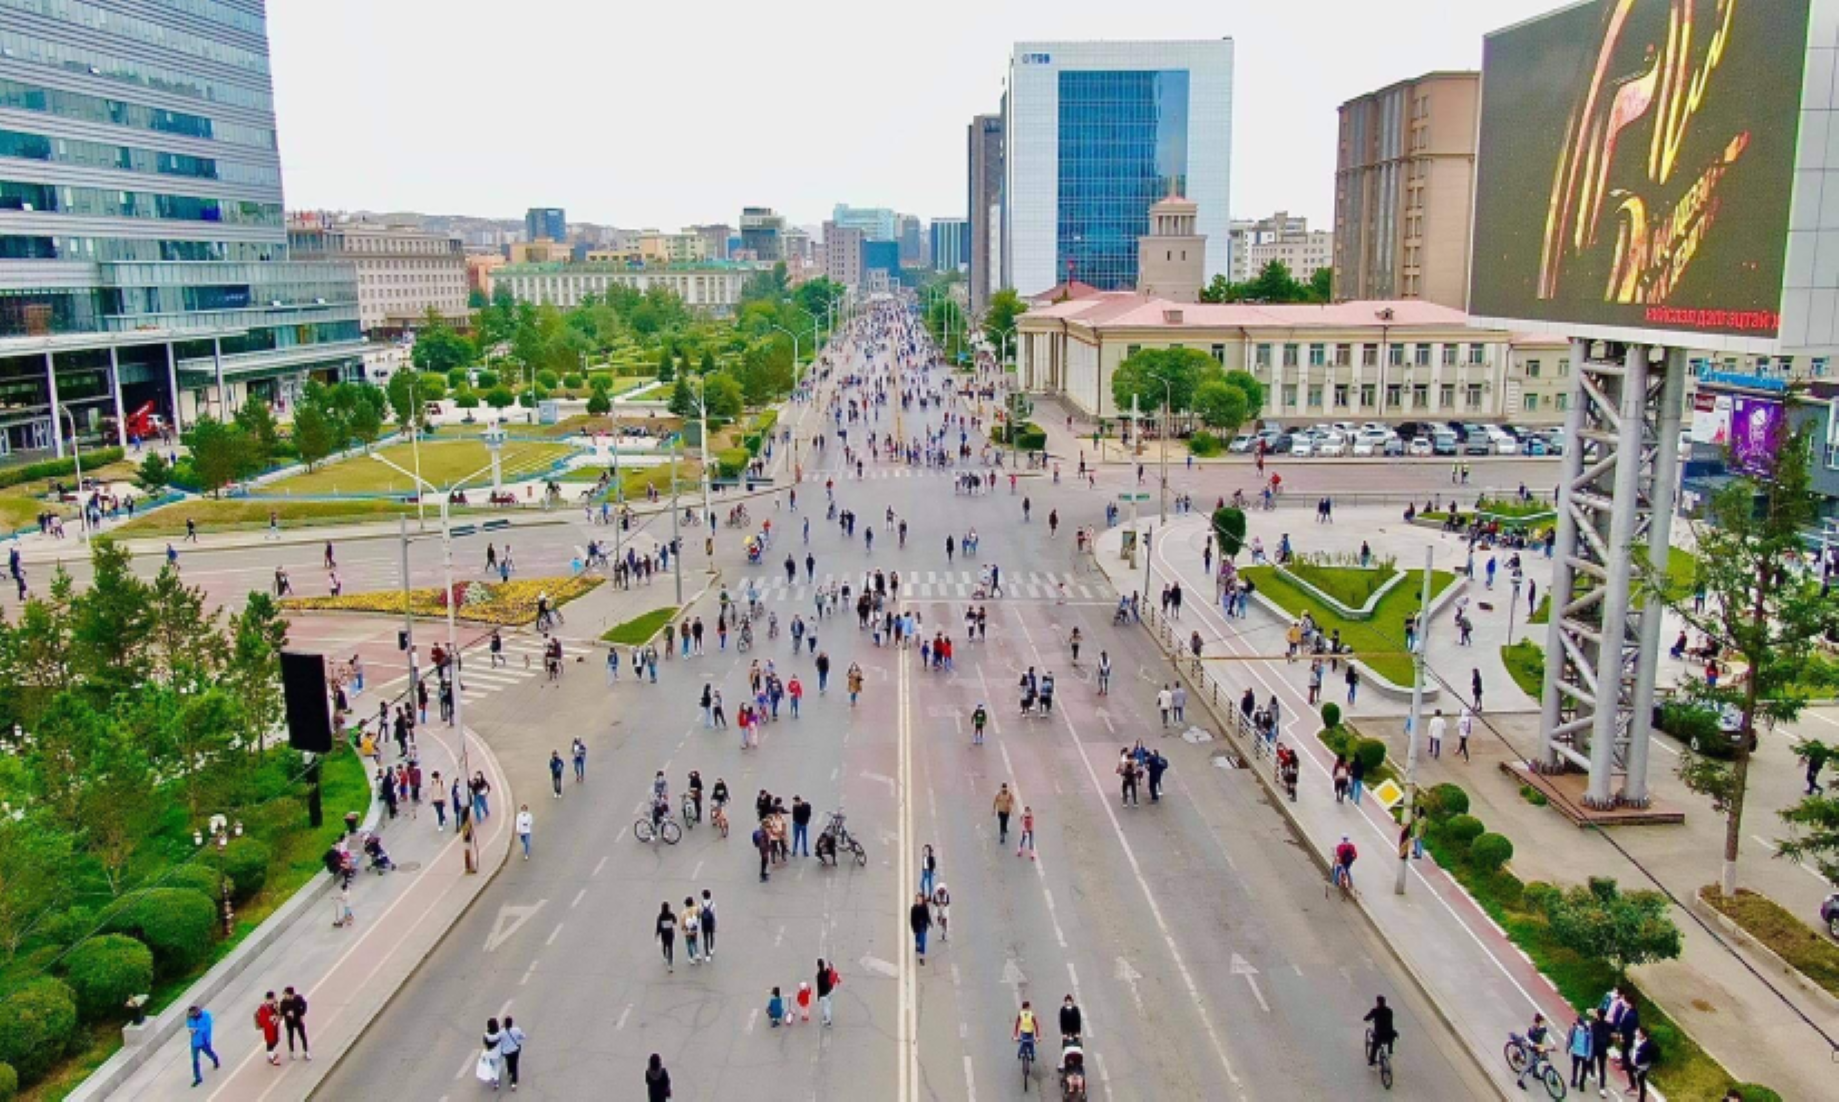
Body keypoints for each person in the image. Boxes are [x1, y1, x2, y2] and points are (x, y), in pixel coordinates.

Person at [1514, 1012, 1553, 1091]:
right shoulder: (1532, 1030)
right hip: (1531, 1049)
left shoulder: (1543, 1028)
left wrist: (1554, 1044)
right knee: (1528, 1065)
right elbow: (1528, 1040)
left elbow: (1548, 1035)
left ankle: (1535, 1073)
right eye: (1542, 1022)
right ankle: (1520, 1080)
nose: (1543, 1023)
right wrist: (1534, 1045)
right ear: (1538, 1022)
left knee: (1543, 1058)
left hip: (1539, 1047)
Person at [186, 1005, 220, 1086]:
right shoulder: (190, 1017)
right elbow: (189, 1025)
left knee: (209, 1053)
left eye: (193, 1013)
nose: (192, 1015)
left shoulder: (206, 1015)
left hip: (204, 1041)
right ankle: (198, 1078)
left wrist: (197, 1030)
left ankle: (215, 1059)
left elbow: (207, 1026)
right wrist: (191, 1029)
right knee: (195, 1060)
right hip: (195, 1042)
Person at [1567, 1008, 1596, 1092]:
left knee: (1576, 1068)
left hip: (1577, 1053)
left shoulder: (1575, 1029)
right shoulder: (1587, 1031)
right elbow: (1590, 1044)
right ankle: (1580, 1084)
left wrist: (1568, 1048)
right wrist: (1589, 1055)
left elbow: (1569, 1039)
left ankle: (1575, 1081)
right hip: (1582, 1054)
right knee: (1581, 1069)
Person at [1364, 995, 1396, 1067]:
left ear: (1378, 1002)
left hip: (1379, 1036)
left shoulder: (1375, 1011)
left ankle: (1372, 1061)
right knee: (1390, 1035)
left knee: (1374, 1046)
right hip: (1389, 1035)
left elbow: (1366, 1018)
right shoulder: (1389, 1011)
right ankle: (1390, 1051)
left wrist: (1366, 1019)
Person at [279, 987, 309, 1060]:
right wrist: (286, 1013)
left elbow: (304, 1004)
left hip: (298, 1020)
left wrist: (302, 1014)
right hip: (289, 1022)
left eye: (286, 994)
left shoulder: (298, 998)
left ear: (291, 994)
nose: (285, 996)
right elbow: (281, 1012)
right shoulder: (283, 1002)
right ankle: (291, 1052)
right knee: (290, 1036)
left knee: (303, 1035)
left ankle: (306, 1051)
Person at [500, 1015, 527, 1091]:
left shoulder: (501, 1032)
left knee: (508, 1062)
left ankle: (509, 1072)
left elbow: (499, 1039)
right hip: (515, 1050)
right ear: (512, 1023)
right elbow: (523, 1036)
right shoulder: (516, 1030)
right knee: (515, 1064)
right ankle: (513, 1083)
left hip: (506, 1052)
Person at [476, 1018, 504, 1090]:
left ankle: (492, 1077)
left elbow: (485, 1044)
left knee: (491, 1065)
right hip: (497, 1053)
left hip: (489, 1053)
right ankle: (496, 1082)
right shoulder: (499, 1034)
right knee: (497, 1066)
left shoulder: (486, 1035)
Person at [256, 992, 282, 1065]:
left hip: (274, 1026)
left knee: (276, 1040)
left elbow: (279, 1013)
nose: (274, 1000)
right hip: (269, 1028)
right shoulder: (263, 1008)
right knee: (270, 1041)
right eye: (273, 999)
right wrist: (270, 1019)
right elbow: (262, 1020)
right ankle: (271, 1057)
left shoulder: (274, 1005)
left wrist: (277, 1012)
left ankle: (270, 1054)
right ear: (269, 999)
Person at [910, 891, 933, 965]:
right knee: (918, 940)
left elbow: (927, 915)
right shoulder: (913, 908)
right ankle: (917, 945)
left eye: (921, 899)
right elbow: (912, 920)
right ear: (916, 900)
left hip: (923, 927)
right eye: (918, 899)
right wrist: (913, 929)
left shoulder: (924, 906)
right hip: (917, 927)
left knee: (923, 942)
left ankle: (921, 957)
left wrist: (930, 922)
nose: (919, 900)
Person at [1014, 1000, 1040, 1065]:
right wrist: (1015, 1035)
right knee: (1023, 1043)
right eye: (1027, 1007)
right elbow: (1017, 1024)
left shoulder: (1031, 1014)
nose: (1027, 1009)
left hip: (1030, 1031)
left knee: (1031, 1044)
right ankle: (1020, 1053)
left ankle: (1032, 1055)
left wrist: (1037, 1036)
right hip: (1023, 1032)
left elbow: (1036, 1024)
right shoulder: (1021, 1014)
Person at [655, 901, 677, 972]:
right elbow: (675, 921)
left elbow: (658, 926)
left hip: (664, 934)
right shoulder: (671, 915)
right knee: (670, 947)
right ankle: (670, 964)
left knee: (664, 944)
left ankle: (665, 955)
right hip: (670, 933)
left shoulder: (660, 916)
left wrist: (657, 934)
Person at [816, 958, 838, 1027]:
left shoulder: (819, 975)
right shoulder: (826, 972)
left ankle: (828, 1021)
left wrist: (818, 995)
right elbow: (831, 970)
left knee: (826, 1007)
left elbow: (819, 987)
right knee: (829, 1004)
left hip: (824, 993)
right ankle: (827, 1017)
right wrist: (831, 965)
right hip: (830, 990)